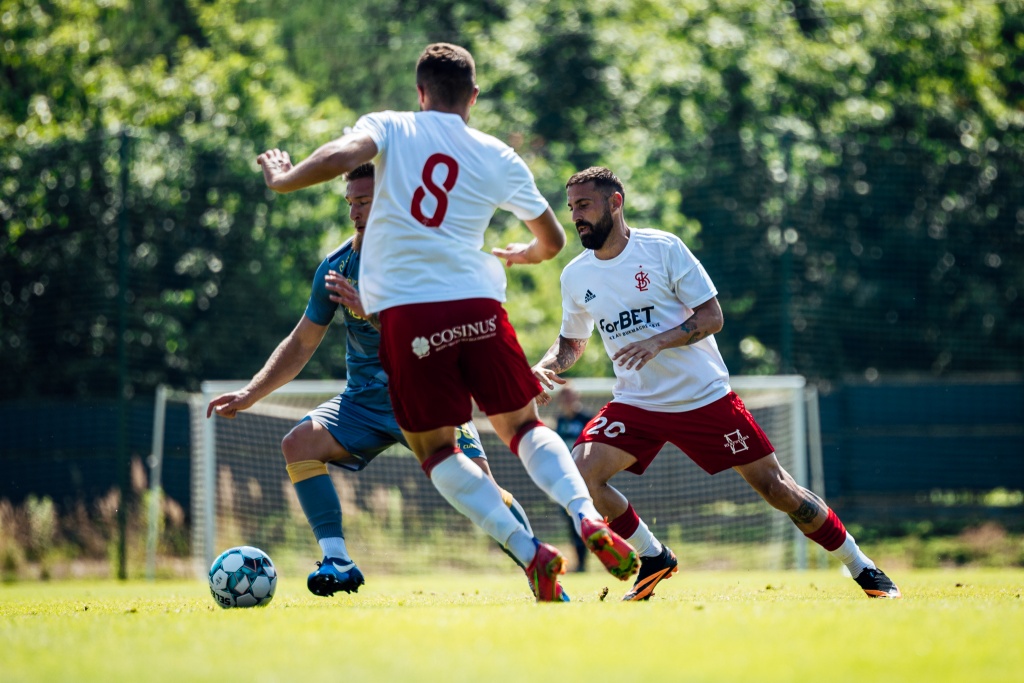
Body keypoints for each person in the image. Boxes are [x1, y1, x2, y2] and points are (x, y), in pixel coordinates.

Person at [253, 43, 638, 601]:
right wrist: (524, 255)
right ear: (473, 98)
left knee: (437, 451)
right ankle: (583, 515)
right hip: (480, 305)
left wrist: (286, 180)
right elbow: (551, 240)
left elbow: (342, 154)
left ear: (420, 92)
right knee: (525, 428)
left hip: (411, 315)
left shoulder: (392, 127)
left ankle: (532, 554)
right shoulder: (497, 154)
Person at [532, 166, 902, 601]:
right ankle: (654, 557)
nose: (576, 216)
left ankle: (864, 568)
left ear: (615, 203)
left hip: (703, 398)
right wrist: (546, 365)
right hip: (637, 403)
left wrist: (659, 342)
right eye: (572, 206)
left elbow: (712, 317)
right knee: (584, 475)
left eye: (585, 205)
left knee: (776, 488)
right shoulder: (576, 275)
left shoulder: (663, 248)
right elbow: (572, 342)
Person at [206, 163, 538, 598]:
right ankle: (337, 559)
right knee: (298, 443)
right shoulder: (337, 265)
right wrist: (252, 391)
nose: (355, 212)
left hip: (427, 398)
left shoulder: (422, 257)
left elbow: (438, 340)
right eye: (350, 202)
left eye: (364, 201)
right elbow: (303, 342)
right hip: (361, 402)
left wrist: (373, 313)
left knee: (482, 492)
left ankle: (538, 566)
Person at [553, 384, 592, 572]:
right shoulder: (559, 421)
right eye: (564, 397)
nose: (568, 401)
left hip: (585, 478)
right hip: (564, 479)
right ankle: (581, 564)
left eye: (571, 396)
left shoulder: (587, 419)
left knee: (587, 518)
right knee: (571, 521)